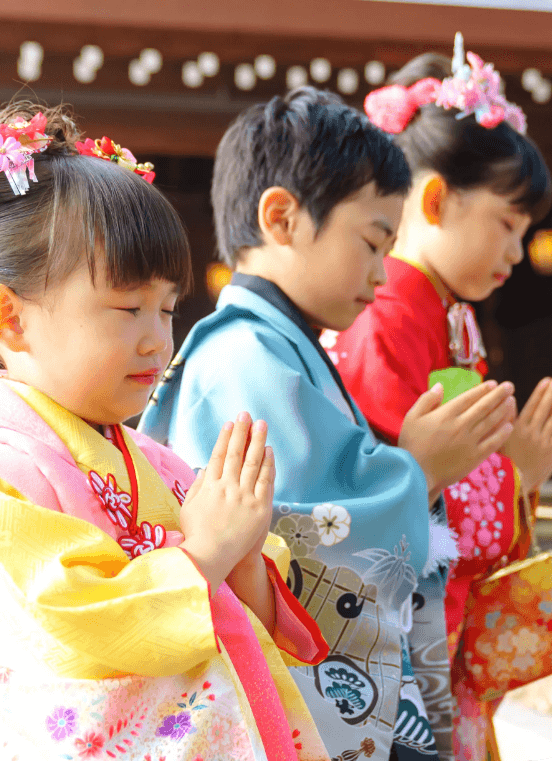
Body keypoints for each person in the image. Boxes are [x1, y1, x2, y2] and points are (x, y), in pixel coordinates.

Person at [0, 101, 333, 761]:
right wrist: (205, 555)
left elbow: (239, 619)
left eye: (166, 309)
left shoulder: (153, 463)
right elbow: (69, 636)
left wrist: (242, 547)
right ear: (12, 319)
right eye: (126, 307)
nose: (156, 340)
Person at [139, 86, 518, 761]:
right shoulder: (247, 359)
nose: (380, 275)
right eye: (373, 243)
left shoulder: (273, 348)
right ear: (282, 218)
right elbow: (301, 543)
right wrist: (420, 468)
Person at [325, 35, 552, 761]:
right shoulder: (386, 315)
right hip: (398, 629)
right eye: (506, 224)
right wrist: (515, 473)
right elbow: (382, 479)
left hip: (438, 616)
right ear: (435, 199)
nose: (516, 252)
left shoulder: (441, 308)